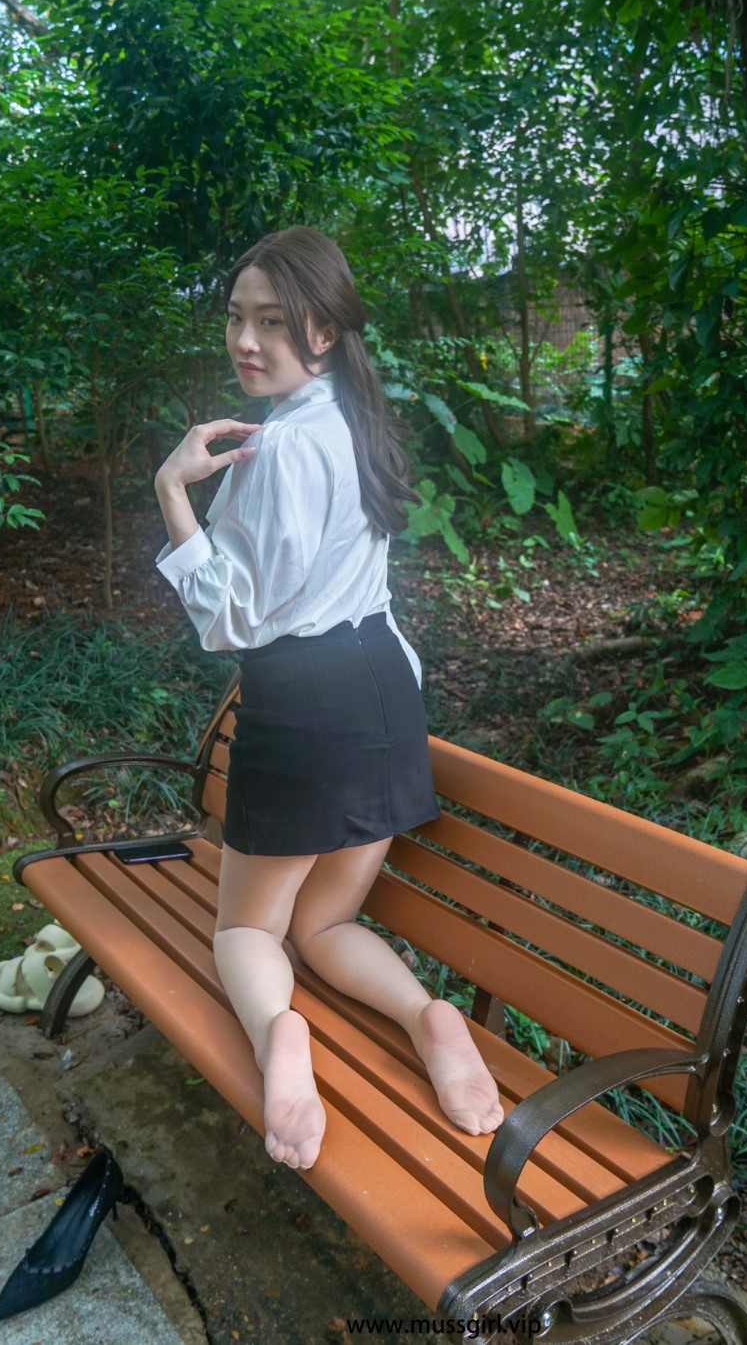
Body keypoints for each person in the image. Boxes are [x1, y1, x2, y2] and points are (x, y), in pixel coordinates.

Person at [153, 227, 503, 1171]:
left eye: (273, 321)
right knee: (326, 923)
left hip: (305, 703)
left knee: (247, 928)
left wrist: (173, 491)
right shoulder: (354, 419)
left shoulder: (277, 450)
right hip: (383, 693)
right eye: (237, 317)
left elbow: (233, 619)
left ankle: (282, 1034)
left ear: (324, 329)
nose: (245, 339)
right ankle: (425, 1015)